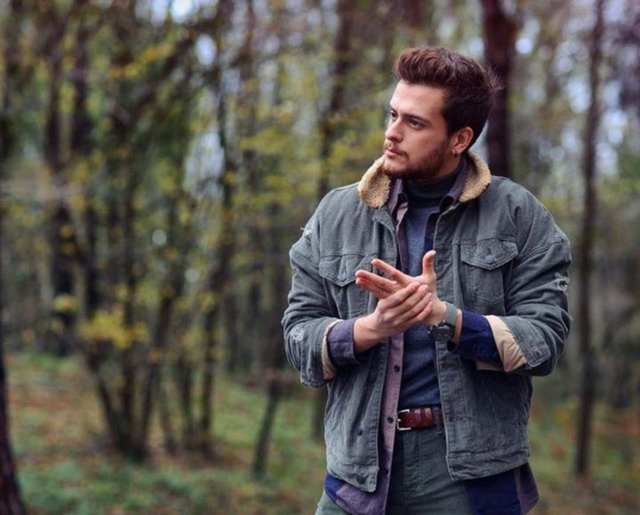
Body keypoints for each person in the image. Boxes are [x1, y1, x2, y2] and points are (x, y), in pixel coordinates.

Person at [282, 46, 571, 515]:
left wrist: (446, 319)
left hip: (469, 478)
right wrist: (369, 329)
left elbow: (544, 340)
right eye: (392, 114)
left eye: (414, 123)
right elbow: (297, 336)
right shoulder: (336, 215)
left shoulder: (518, 215)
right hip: (358, 474)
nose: (392, 133)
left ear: (459, 139)